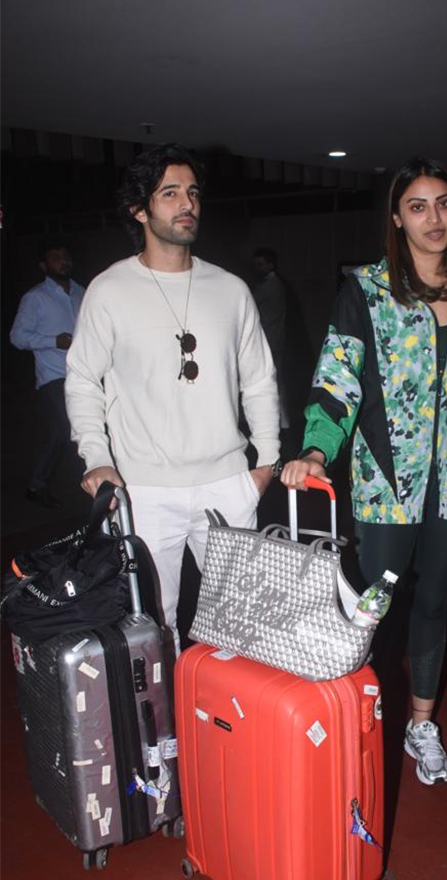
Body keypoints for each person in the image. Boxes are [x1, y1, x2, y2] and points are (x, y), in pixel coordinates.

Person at [281, 157, 447, 786]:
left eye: (444, 204)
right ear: (397, 219)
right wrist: (317, 449)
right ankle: (359, 717)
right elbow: (336, 381)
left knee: (434, 602)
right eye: (419, 206)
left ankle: (421, 725)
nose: (434, 218)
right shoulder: (367, 292)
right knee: (375, 606)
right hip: (385, 484)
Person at [65, 143, 280, 650]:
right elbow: (81, 380)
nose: (187, 204)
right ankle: (164, 731)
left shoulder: (230, 289)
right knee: (151, 627)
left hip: (227, 483)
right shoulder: (109, 290)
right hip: (144, 491)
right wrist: (96, 458)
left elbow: (261, 378)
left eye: (193, 193)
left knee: (242, 621)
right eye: (169, 194)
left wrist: (266, 461)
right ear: (139, 210)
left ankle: (234, 726)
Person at [10, 240, 85, 507]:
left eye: (65, 256)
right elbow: (17, 337)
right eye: (55, 257)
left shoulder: (81, 293)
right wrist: (54, 341)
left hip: (84, 374)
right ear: (44, 265)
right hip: (53, 376)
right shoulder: (36, 297)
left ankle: (91, 484)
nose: (62, 261)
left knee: (86, 428)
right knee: (62, 431)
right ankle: (37, 485)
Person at [253, 247, 290, 430]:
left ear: (271, 265)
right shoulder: (274, 285)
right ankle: (282, 422)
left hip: (270, 341)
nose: (257, 268)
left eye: (261, 264)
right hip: (273, 340)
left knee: (271, 382)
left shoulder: (270, 286)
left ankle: (279, 422)